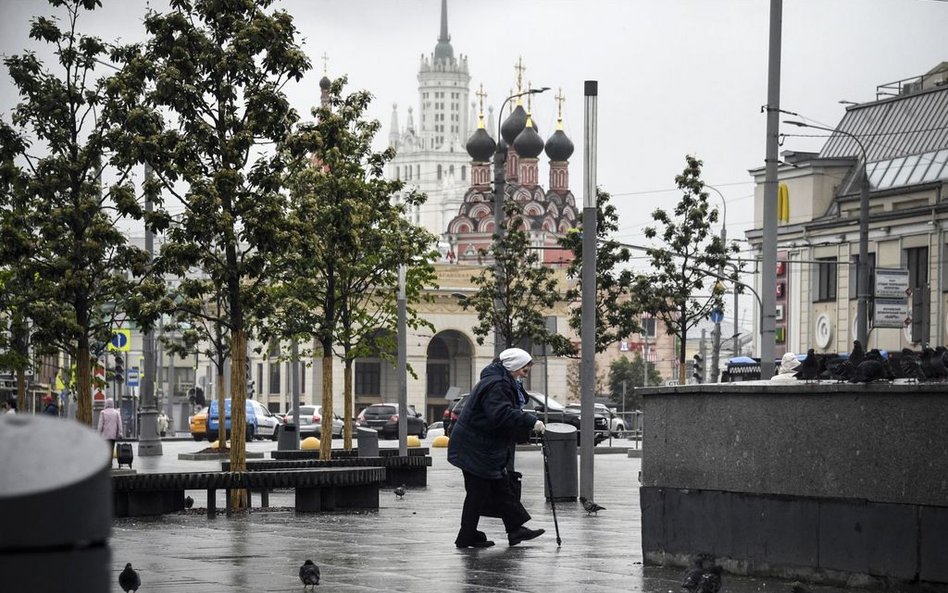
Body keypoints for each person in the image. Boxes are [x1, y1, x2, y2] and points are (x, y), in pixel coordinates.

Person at [447, 347, 547, 548]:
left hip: (479, 446)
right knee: (481, 491)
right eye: (523, 370)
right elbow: (500, 413)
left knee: (498, 487)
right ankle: (469, 536)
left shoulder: (500, 381)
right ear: (513, 366)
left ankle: (512, 530)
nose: (524, 374)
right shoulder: (497, 385)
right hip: (475, 446)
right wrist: (529, 420)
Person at [98, 398, 123, 466]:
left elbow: (100, 424)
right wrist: (120, 432)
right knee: (111, 448)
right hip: (113, 435)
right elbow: (119, 424)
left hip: (105, 435)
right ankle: (110, 463)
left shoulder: (103, 412)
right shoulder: (116, 413)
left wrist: (99, 433)